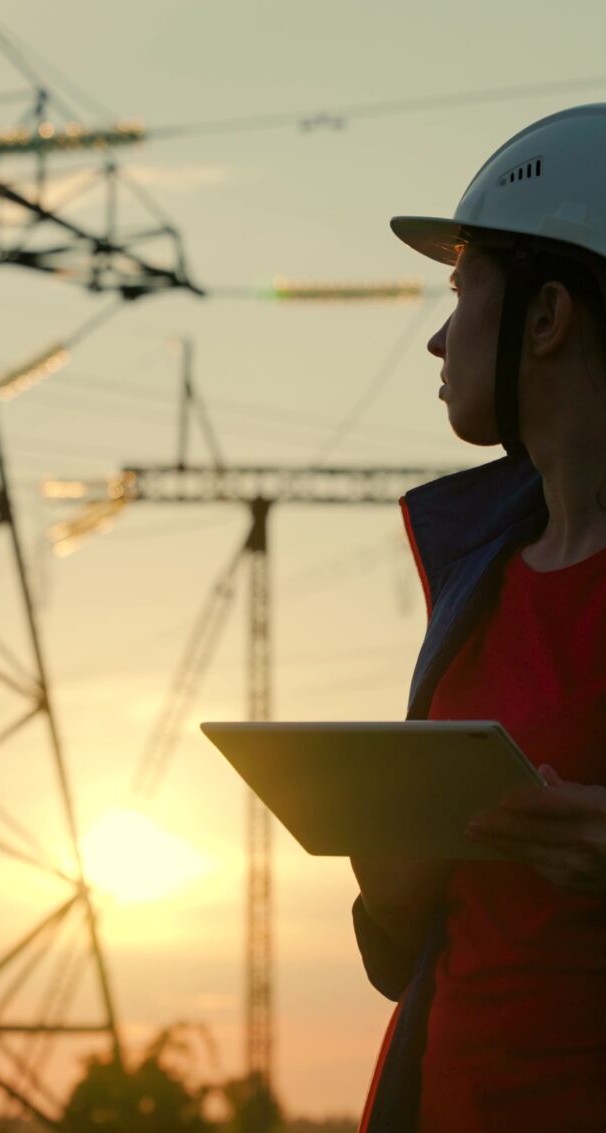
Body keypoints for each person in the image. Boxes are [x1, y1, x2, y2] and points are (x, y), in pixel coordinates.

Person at [351, 103, 606, 1133]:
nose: (437, 336)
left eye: (462, 291)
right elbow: (405, 951)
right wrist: (393, 880)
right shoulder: (474, 571)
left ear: (546, 317)